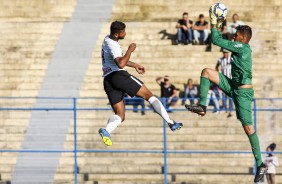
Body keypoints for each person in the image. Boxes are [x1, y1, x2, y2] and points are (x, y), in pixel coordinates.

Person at [185, 6, 267, 182]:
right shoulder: (241, 46)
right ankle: (203, 106)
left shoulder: (242, 47)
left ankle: (261, 164)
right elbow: (218, 38)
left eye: (236, 35)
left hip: (243, 94)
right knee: (206, 71)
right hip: (233, 86)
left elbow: (215, 39)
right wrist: (217, 21)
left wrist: (214, 20)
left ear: (243, 38)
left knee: (249, 129)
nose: (234, 36)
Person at [99, 21, 183, 146]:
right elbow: (121, 64)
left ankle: (106, 130)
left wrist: (135, 65)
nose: (125, 33)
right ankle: (171, 122)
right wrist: (130, 50)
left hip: (108, 80)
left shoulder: (107, 39)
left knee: (120, 116)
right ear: (117, 34)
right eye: (123, 32)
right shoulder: (114, 45)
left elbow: (119, 59)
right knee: (149, 96)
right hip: (119, 76)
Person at [215, 49, 234, 117]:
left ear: (228, 53)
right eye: (224, 53)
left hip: (230, 80)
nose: (225, 54)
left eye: (226, 53)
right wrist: (219, 74)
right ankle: (224, 107)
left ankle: (230, 109)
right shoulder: (220, 60)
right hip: (223, 80)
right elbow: (216, 66)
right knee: (223, 94)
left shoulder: (231, 59)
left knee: (230, 95)